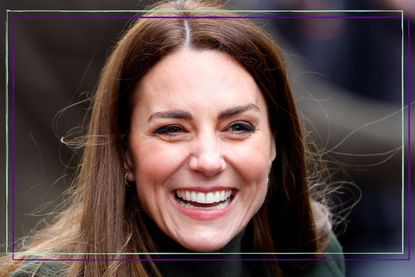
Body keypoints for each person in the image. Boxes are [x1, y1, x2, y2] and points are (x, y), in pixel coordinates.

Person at [1, 0, 345, 276]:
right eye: (172, 130)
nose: (209, 161)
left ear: (275, 143)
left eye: (239, 127)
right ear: (124, 152)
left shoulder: (310, 254)